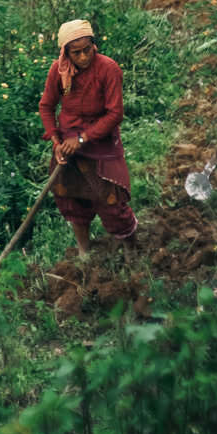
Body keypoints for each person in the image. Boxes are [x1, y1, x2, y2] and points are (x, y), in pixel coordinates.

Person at [38, 19, 138, 257]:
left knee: (111, 202)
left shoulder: (108, 69)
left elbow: (115, 114)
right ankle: (84, 252)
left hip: (101, 143)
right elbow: (46, 107)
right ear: (66, 53)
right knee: (70, 198)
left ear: (94, 45)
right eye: (76, 53)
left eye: (87, 50)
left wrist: (82, 139)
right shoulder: (58, 71)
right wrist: (57, 143)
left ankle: (131, 249)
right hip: (68, 144)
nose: (83, 57)